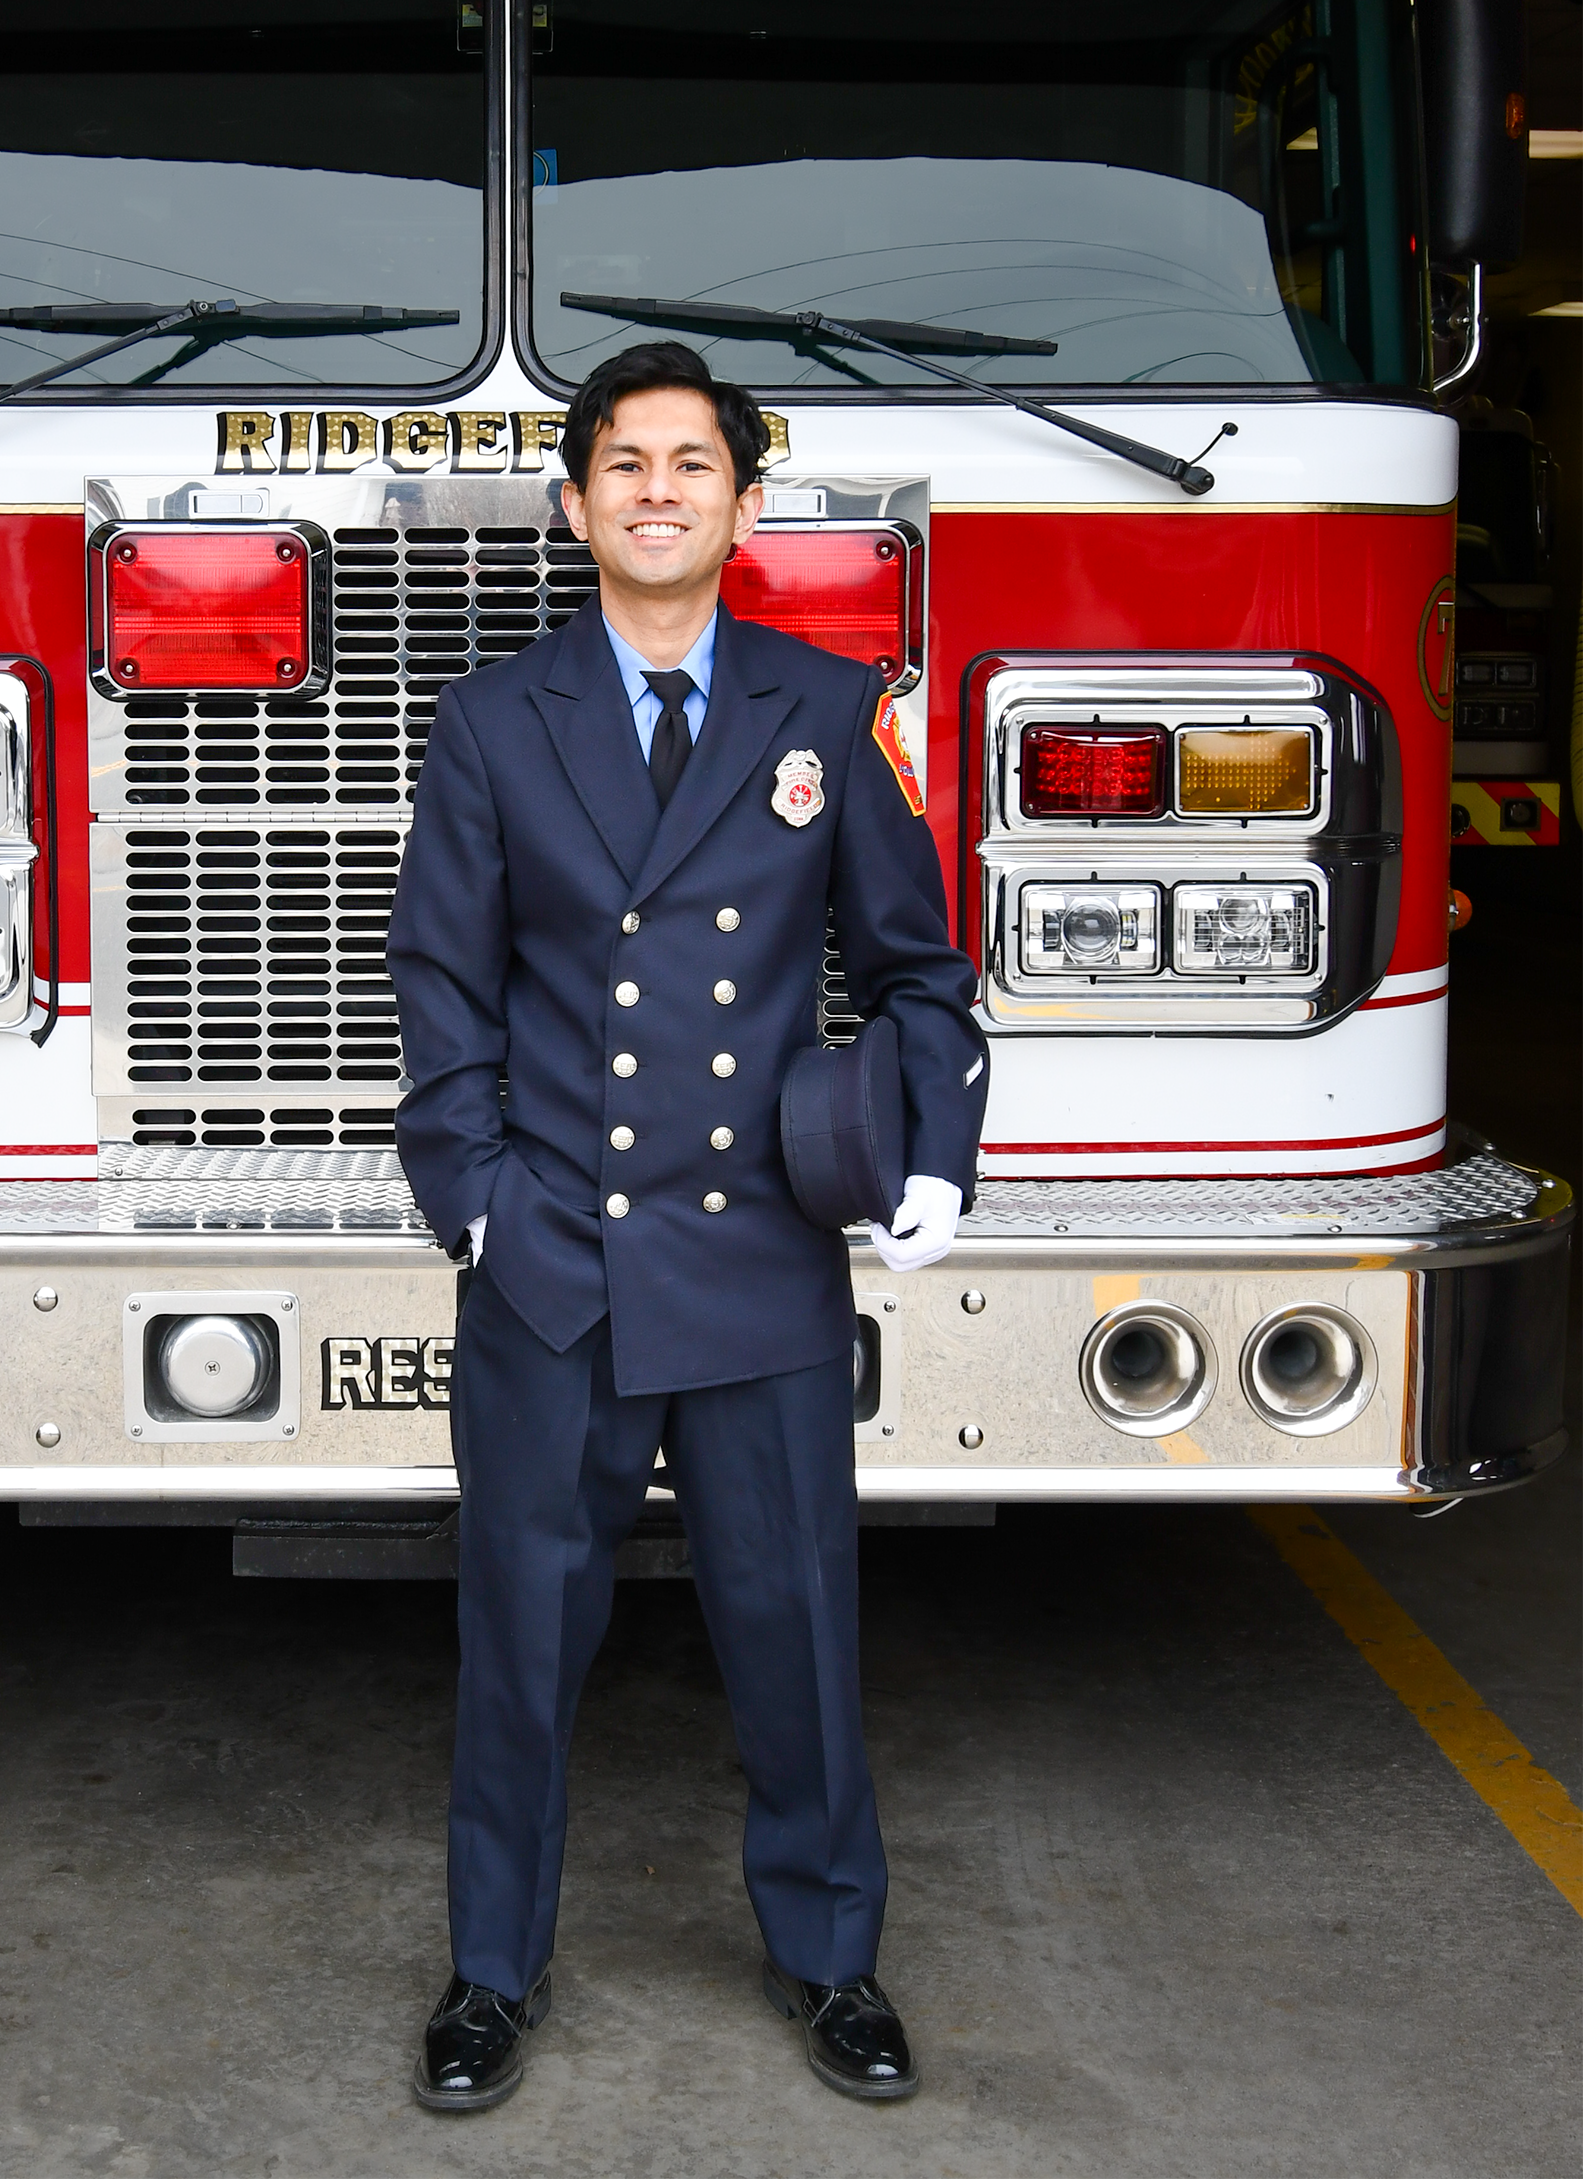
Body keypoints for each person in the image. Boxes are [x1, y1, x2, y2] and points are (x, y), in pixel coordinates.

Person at [386, 341, 990, 2112]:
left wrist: (935, 1149)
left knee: (797, 1636)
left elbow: (917, 969)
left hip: (756, 1268)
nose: (660, 489)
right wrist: (477, 1209)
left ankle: (831, 1959)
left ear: (744, 501)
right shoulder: (497, 721)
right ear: (575, 507)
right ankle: (492, 1969)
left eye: (693, 463)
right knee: (517, 1640)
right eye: (626, 464)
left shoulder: (823, 711)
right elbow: (442, 993)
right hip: (555, 1265)